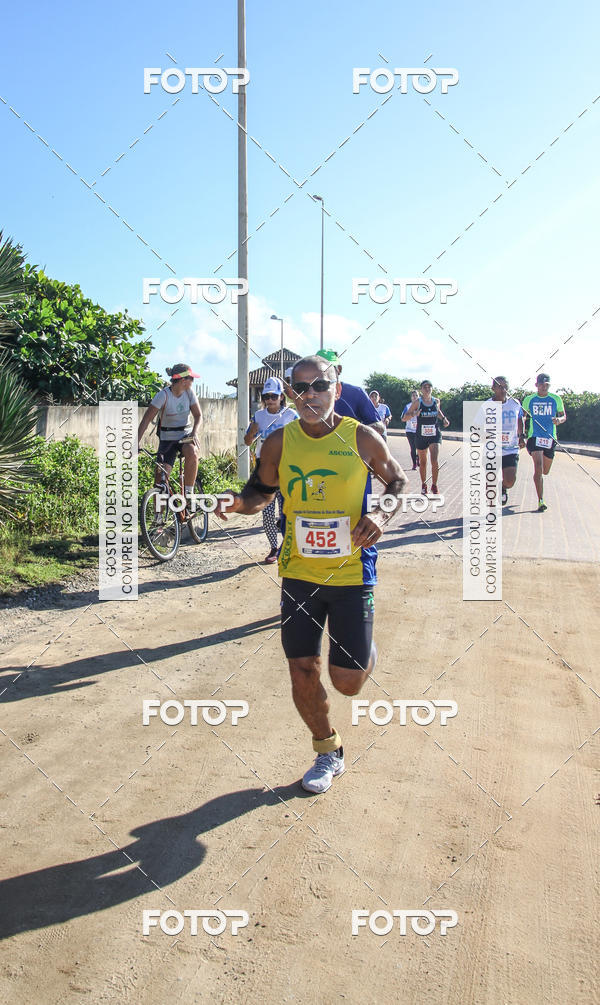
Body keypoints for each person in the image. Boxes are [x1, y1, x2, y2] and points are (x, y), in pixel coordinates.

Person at [216, 355, 408, 794]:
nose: (310, 395)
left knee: (348, 682)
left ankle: (362, 652)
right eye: (300, 388)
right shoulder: (280, 442)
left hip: (352, 574)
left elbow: (396, 483)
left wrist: (379, 513)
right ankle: (327, 750)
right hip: (299, 574)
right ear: (289, 395)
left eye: (319, 386)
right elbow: (260, 494)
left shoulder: (361, 437)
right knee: (302, 668)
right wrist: (234, 503)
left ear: (336, 390)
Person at [244, 377, 298, 563]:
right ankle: (274, 548)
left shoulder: (291, 415)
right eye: (266, 396)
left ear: (281, 396)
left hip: (286, 468)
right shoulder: (258, 416)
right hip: (265, 468)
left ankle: (287, 545)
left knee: (286, 511)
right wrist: (252, 431)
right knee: (267, 512)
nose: (270, 399)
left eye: (274, 396)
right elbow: (247, 442)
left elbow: (302, 437)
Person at [137, 363, 202, 505]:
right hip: (167, 440)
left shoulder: (190, 393)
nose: (193, 382)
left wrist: (194, 433)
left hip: (185, 436)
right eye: (191, 378)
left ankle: (189, 494)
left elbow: (198, 416)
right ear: (183, 380)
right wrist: (135, 442)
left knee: (192, 451)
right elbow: (146, 419)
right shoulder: (163, 396)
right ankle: (158, 519)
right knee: (160, 479)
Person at [315, 349, 386, 437]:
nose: (325, 373)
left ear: (339, 369)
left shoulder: (356, 393)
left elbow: (379, 426)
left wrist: (351, 434)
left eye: (329, 368)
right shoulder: (307, 394)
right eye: (319, 368)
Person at [522, 373, 566, 512]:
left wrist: (559, 420)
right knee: (538, 467)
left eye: (546, 385)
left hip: (550, 438)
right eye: (541, 384)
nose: (544, 387)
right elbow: (522, 417)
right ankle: (541, 500)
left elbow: (563, 415)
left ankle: (540, 489)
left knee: (545, 471)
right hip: (534, 437)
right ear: (536, 385)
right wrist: (522, 434)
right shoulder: (529, 399)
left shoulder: (556, 399)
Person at [485, 377, 525, 506]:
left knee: (510, 481)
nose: (503, 390)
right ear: (493, 389)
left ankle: (503, 487)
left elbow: (520, 419)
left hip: (510, 448)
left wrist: (521, 436)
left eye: (505, 386)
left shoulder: (515, 403)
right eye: (500, 387)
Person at [405, 380, 449, 495]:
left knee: (434, 460)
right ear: (421, 390)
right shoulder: (417, 402)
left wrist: (444, 419)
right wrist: (414, 414)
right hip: (421, 435)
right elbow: (404, 418)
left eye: (429, 386)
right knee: (423, 462)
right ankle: (424, 484)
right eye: (425, 387)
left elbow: (438, 412)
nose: (427, 389)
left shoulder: (436, 401)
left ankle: (434, 485)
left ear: (432, 389)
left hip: (434, 434)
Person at [401, 390, 419, 470]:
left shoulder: (421, 405)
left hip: (419, 430)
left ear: (418, 397)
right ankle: (414, 464)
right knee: (413, 447)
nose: (414, 397)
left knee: (420, 447)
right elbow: (403, 418)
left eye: (416, 395)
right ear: (411, 397)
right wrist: (412, 414)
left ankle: (418, 458)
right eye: (413, 396)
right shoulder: (408, 406)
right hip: (410, 430)